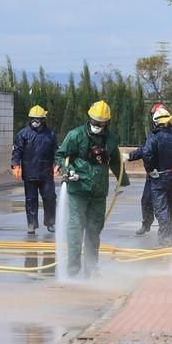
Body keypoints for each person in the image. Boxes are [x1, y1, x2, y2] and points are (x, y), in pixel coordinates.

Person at [55, 100, 129, 277]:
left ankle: (91, 268)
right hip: (78, 189)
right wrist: (67, 170)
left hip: (99, 191)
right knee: (75, 229)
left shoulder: (110, 140)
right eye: (95, 122)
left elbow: (116, 161)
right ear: (89, 119)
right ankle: (73, 270)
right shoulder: (76, 136)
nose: (97, 126)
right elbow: (60, 155)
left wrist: (122, 182)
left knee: (94, 230)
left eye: (101, 123)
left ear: (107, 123)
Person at [138, 106, 172, 247]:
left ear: (156, 122)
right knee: (170, 207)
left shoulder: (154, 135)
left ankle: (165, 241)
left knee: (161, 209)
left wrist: (150, 169)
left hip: (158, 177)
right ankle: (168, 238)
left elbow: (147, 153)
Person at [11, 105, 57, 234]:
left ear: (43, 119)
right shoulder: (23, 134)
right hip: (30, 172)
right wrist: (16, 165)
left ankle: (50, 222)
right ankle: (31, 224)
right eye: (33, 119)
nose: (35, 121)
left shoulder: (50, 134)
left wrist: (58, 164)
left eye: (38, 119)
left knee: (50, 198)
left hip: (46, 173)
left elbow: (56, 151)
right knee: (31, 200)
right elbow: (17, 151)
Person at [127, 102, 165, 236]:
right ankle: (146, 223)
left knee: (163, 205)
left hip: (164, 174)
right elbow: (146, 150)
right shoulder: (154, 133)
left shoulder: (171, 133)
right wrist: (130, 156)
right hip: (153, 173)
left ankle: (165, 231)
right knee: (146, 199)